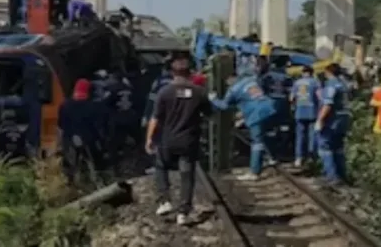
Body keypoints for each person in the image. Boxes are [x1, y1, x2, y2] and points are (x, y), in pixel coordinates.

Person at [146, 54, 211, 226]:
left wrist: (149, 139)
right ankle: (183, 212)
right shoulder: (199, 92)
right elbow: (210, 114)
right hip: (189, 141)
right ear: (189, 73)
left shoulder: (164, 92)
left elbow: (155, 118)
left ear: (172, 73)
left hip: (168, 140)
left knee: (160, 166)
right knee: (187, 175)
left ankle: (164, 200)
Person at [210, 68, 278, 181]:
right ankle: (271, 157)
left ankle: (254, 172)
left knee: (256, 143)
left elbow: (224, 106)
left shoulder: (233, 90)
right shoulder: (251, 80)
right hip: (270, 108)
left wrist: (214, 99)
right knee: (265, 135)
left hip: (256, 114)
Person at [58, 79, 103, 182]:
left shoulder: (65, 105)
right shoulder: (92, 106)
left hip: (69, 140)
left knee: (70, 166)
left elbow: (60, 125)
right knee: (92, 164)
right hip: (88, 139)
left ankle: (70, 184)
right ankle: (94, 182)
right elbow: (96, 125)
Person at [316, 62, 352, 185]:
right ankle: (342, 175)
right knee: (338, 148)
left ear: (328, 72)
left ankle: (331, 176)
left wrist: (320, 120)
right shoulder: (344, 84)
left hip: (333, 120)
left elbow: (328, 104)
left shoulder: (331, 85)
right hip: (345, 118)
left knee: (325, 147)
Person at [258, 56, 291, 159]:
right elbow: (291, 92)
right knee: (284, 128)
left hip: (269, 104)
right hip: (283, 105)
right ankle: (283, 151)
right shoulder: (287, 77)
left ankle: (271, 153)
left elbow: (260, 92)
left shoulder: (266, 77)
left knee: (269, 130)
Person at [105, 70, 138, 169]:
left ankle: (115, 165)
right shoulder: (129, 88)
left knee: (114, 143)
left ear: (114, 79)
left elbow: (106, 104)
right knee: (135, 140)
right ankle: (136, 160)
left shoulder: (111, 89)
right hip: (130, 118)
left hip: (117, 119)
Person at [291, 66, 320, 165]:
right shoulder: (315, 82)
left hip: (299, 112)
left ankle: (298, 158)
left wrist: (294, 107)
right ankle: (311, 157)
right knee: (312, 135)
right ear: (312, 73)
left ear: (302, 73)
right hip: (312, 112)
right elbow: (320, 96)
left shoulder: (296, 83)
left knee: (300, 136)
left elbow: (291, 98)